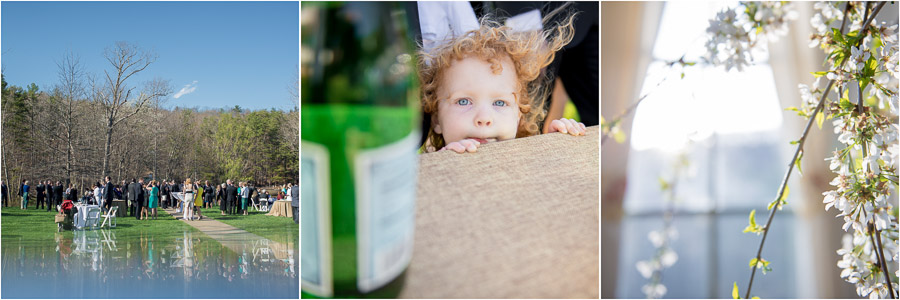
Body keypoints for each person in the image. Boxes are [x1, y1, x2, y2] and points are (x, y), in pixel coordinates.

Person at [416, 10, 585, 153]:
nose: (484, 118)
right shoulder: (426, 170)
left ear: (518, 115)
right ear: (436, 119)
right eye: (463, 101)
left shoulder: (525, 155)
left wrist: (555, 146)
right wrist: (443, 164)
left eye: (499, 102)